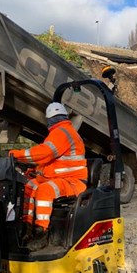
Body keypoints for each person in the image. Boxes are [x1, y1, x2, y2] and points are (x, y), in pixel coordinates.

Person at [10, 102, 87, 246]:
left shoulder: (63, 132)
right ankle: (27, 228)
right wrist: (35, 171)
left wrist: (17, 155)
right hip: (60, 178)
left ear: (49, 119)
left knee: (45, 190)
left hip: (72, 182)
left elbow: (45, 153)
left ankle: (41, 233)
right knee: (29, 185)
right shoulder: (59, 132)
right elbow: (51, 161)